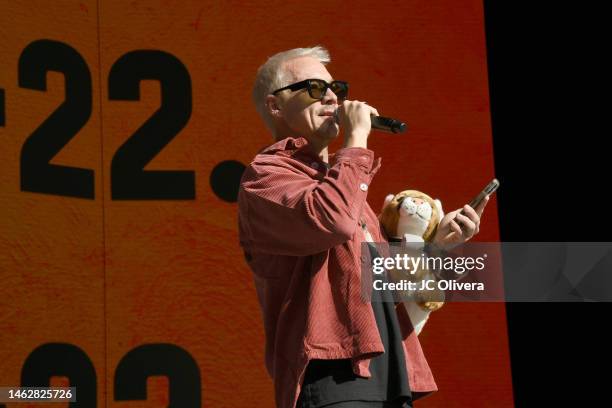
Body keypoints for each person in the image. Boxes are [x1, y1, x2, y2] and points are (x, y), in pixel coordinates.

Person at [238, 46, 489, 408]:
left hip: (388, 372)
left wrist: (438, 246)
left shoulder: (341, 184)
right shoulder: (265, 177)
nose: (330, 97)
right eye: (312, 88)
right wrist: (355, 142)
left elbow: (387, 284)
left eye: (335, 89)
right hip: (333, 372)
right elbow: (333, 222)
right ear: (275, 106)